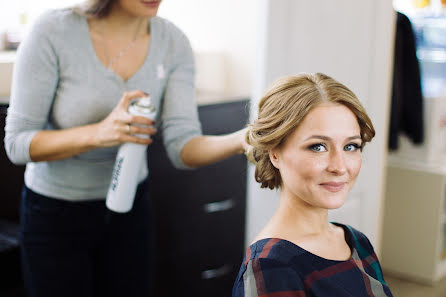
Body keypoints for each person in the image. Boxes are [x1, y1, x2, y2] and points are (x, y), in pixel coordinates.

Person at [4, 1, 247, 296]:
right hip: (55, 214)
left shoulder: (173, 43)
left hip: (130, 209)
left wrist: (241, 140)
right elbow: (17, 143)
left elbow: (183, 146)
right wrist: (99, 133)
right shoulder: (53, 31)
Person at [232, 73, 393, 297]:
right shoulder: (270, 266)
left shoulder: (355, 241)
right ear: (275, 153)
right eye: (318, 146)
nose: (339, 166)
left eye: (351, 146)